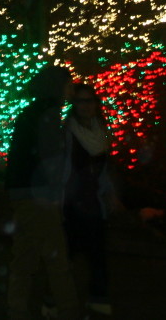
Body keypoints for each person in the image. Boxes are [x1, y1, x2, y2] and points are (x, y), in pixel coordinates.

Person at [4, 64, 80, 320]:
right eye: (68, 85)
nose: (72, 90)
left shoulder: (32, 113)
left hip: (24, 193)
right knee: (56, 258)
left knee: (25, 257)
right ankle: (68, 311)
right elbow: (51, 158)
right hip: (39, 196)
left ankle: (17, 310)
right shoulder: (48, 115)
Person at [64, 83, 118, 317]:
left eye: (90, 101)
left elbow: (103, 168)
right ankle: (57, 300)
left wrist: (109, 192)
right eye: (81, 101)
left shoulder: (101, 131)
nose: (86, 106)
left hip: (93, 200)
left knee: (96, 252)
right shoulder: (67, 131)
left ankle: (97, 299)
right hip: (70, 201)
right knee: (67, 254)